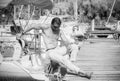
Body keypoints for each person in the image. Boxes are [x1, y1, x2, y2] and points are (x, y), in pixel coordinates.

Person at [22, 17, 93, 79]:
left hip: (58, 49)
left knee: (74, 46)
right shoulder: (46, 27)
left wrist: (69, 46)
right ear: (51, 24)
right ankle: (83, 72)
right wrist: (22, 33)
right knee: (63, 60)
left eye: (57, 27)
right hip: (50, 52)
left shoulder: (59, 30)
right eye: (54, 27)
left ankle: (71, 63)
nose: (56, 28)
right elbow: (32, 25)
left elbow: (65, 40)